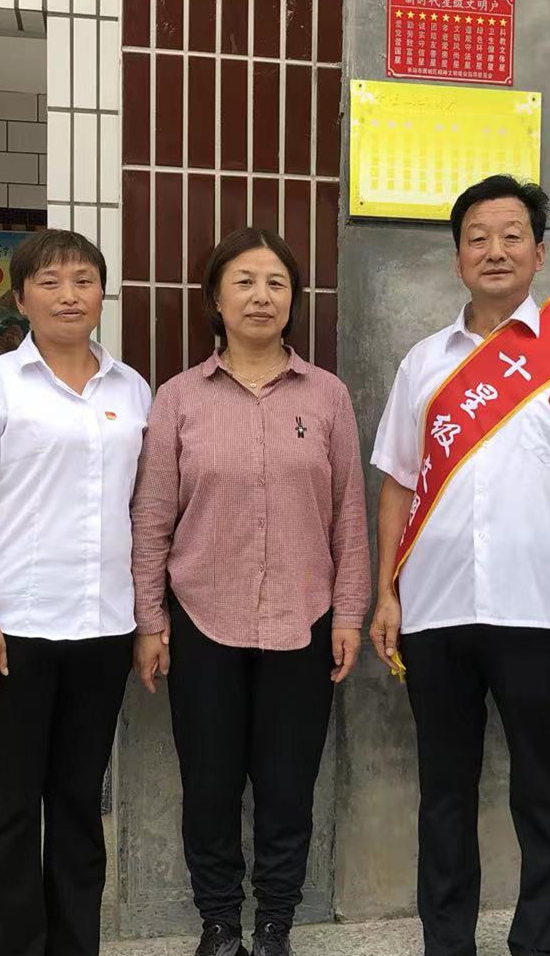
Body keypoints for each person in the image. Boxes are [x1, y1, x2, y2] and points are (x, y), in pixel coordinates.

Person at [367, 175, 550, 956]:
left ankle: (541, 944)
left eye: (512, 235)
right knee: (444, 793)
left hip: (540, 612)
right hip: (435, 610)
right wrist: (385, 591)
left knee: (542, 790)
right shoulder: (423, 363)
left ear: (540, 252)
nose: (495, 250)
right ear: (457, 256)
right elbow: (397, 483)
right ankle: (447, 943)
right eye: (478, 237)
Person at [131, 228, 370, 956]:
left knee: (287, 784)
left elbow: (349, 514)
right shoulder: (179, 398)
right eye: (243, 281)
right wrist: (149, 620)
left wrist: (349, 614)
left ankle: (274, 923)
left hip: (304, 616)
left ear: (294, 299)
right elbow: (153, 516)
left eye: (276, 282)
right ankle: (217, 922)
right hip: (202, 615)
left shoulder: (326, 396)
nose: (261, 296)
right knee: (208, 783)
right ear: (214, 298)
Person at [0, 228, 152, 956]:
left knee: (79, 805)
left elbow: (140, 508)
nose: (69, 295)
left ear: (102, 293)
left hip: (101, 628)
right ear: (21, 296)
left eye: (84, 280)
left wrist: (143, 620)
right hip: (12, 629)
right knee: (8, 809)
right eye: (50, 281)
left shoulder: (131, 389)